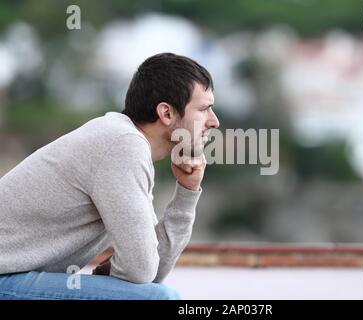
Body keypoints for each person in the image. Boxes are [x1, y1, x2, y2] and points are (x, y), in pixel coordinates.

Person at [0, 53, 220, 300]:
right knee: (159, 299)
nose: (214, 122)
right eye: (204, 109)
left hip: (14, 277)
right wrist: (121, 268)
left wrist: (187, 192)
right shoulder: (122, 145)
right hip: (6, 277)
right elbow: (142, 271)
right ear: (166, 113)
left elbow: (150, 271)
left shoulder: (127, 144)